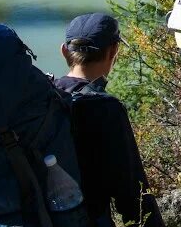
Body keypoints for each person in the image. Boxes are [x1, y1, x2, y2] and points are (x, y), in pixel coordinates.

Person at [55, 13, 166, 227]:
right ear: (114, 51)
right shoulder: (105, 108)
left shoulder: (46, 97)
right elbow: (133, 189)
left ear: (64, 52)